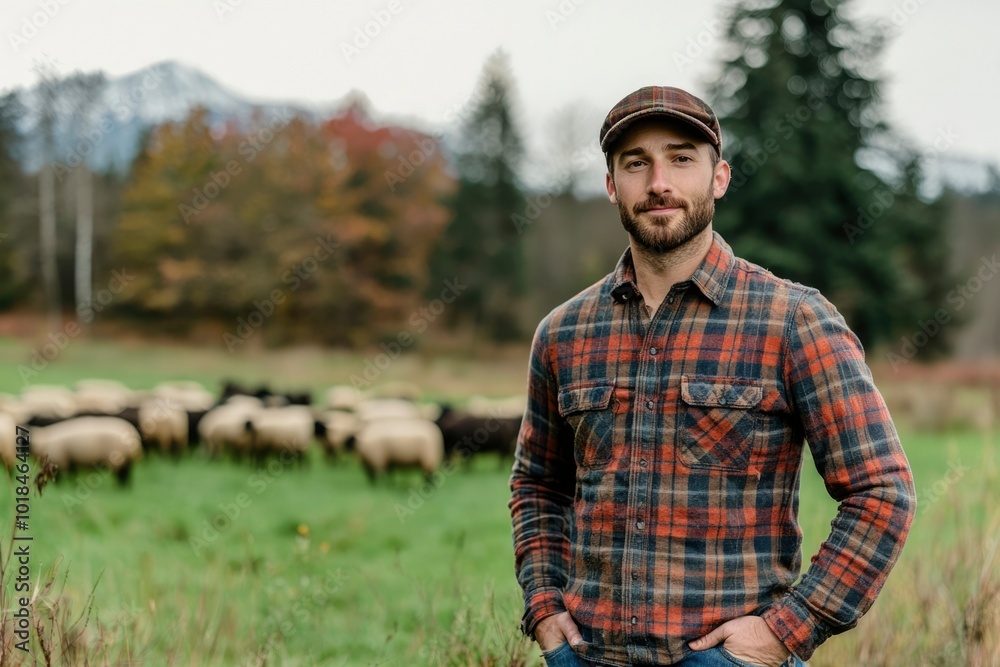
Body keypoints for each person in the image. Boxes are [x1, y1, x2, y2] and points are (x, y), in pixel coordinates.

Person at [508, 86, 916, 667]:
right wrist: (546, 610)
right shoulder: (562, 333)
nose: (658, 183)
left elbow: (882, 492)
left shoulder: (794, 320)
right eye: (635, 163)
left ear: (719, 177)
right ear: (610, 185)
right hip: (587, 656)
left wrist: (787, 631)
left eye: (681, 158)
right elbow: (537, 486)